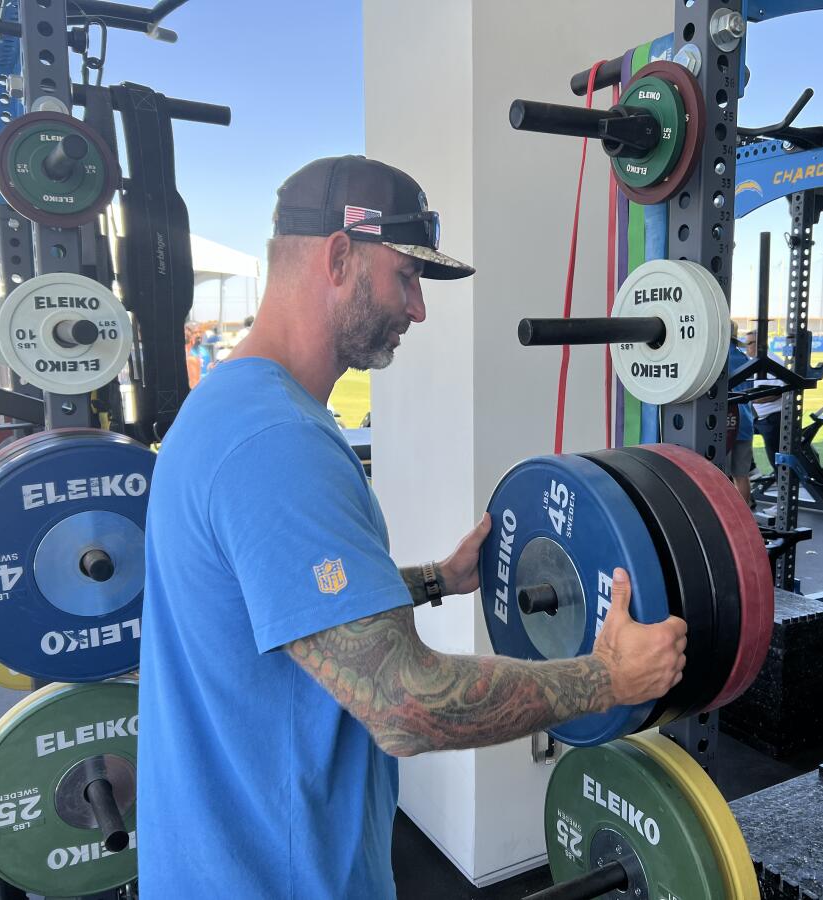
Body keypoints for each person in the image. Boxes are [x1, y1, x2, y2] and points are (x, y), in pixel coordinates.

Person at [136, 156, 688, 898]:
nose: (419, 308)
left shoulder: (232, 409)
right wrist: (609, 679)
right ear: (339, 256)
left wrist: (435, 580)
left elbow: (270, 606)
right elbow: (406, 705)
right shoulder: (276, 442)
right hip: (276, 877)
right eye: (406, 276)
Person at [745, 325, 785, 473]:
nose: (746, 347)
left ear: (760, 344)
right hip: (758, 417)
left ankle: (781, 481)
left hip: (772, 418)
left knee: (775, 457)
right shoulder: (754, 362)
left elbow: (778, 392)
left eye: (749, 343)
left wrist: (751, 399)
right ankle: (751, 469)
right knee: (739, 434)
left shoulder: (772, 362)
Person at [727, 323, 754, 503]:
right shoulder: (744, 358)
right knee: (741, 475)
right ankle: (744, 517)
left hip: (724, 422)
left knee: (718, 476)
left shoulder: (716, 356)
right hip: (745, 421)